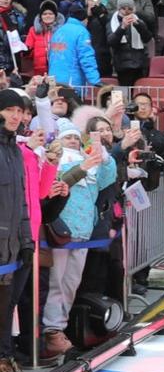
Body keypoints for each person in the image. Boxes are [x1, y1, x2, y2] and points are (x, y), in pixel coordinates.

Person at [39, 120, 106, 358]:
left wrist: (102, 153)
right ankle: (51, 332)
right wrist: (84, 166)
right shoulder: (55, 160)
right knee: (56, 283)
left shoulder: (89, 162)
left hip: (83, 232)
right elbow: (54, 186)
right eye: (68, 137)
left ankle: (60, 329)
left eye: (76, 138)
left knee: (70, 284)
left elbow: (106, 178)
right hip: (60, 230)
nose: (73, 141)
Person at [0, 90, 32, 372]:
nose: (15, 116)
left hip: (11, 246)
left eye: (18, 111)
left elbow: (21, 201)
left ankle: (4, 363)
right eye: (8, 109)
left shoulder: (14, 151)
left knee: (4, 309)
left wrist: (26, 240)